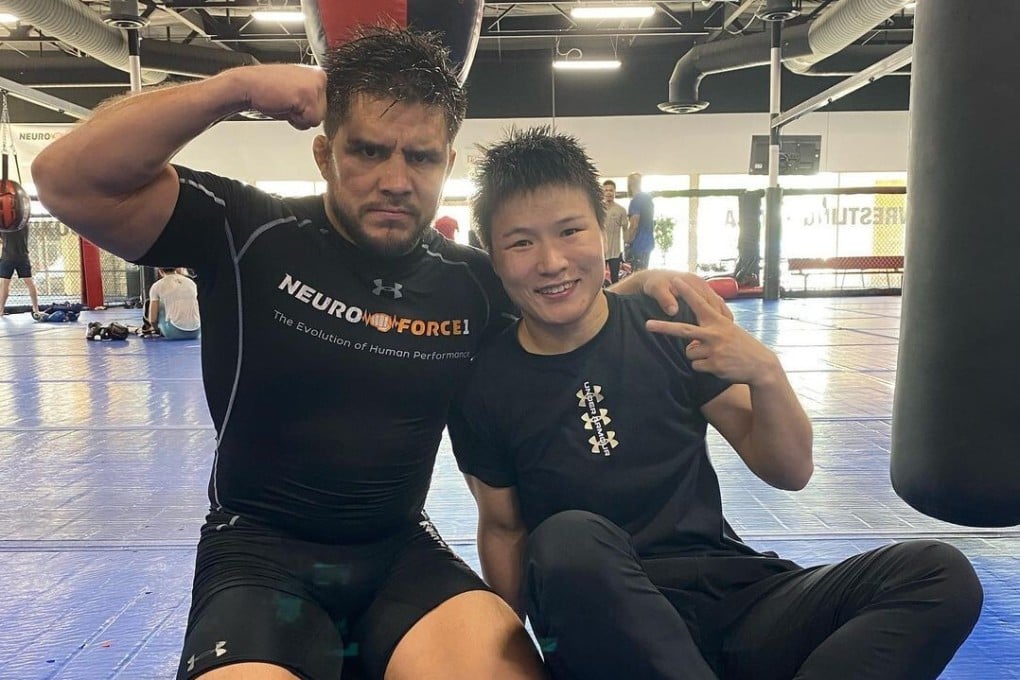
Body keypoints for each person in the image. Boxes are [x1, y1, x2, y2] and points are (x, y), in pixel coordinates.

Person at [31, 27, 722, 680]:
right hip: (258, 554)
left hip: (398, 556)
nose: (396, 178)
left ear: (446, 165)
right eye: (368, 151)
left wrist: (632, 287)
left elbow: (565, 302)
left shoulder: (474, 285)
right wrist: (234, 88)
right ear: (326, 153)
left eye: (419, 156)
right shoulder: (247, 233)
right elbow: (66, 177)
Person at [450, 127, 983, 680]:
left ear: (603, 231)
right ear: (492, 253)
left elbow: (790, 470)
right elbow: (505, 529)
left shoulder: (669, 328)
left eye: (570, 231)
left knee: (938, 574)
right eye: (521, 242)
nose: (552, 260)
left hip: (735, 598)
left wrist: (767, 374)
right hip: (605, 624)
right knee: (566, 537)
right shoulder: (485, 383)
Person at [147, 267, 201, 340]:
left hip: (173, 332)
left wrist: (155, 329)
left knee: (154, 304)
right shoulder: (191, 282)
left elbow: (153, 320)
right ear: (175, 269)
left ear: (160, 270)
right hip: (197, 331)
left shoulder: (157, 286)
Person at [0, 224, 41, 316]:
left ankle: (1, 310)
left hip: (12, 256)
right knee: (5, 283)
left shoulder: (9, 223)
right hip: (18, 256)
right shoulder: (23, 223)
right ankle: (36, 309)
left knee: (5, 283)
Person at [625, 171, 655, 272]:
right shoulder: (648, 199)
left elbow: (634, 225)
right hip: (648, 242)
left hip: (639, 243)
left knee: (637, 277)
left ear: (629, 184)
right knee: (643, 274)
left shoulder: (636, 200)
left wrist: (627, 243)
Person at [600, 179, 628, 284]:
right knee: (599, 279)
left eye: (611, 190)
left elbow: (625, 230)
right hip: (601, 251)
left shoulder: (621, 210)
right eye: (606, 190)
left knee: (615, 279)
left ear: (615, 192)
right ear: (602, 193)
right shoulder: (598, 210)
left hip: (615, 252)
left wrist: (627, 248)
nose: (608, 193)